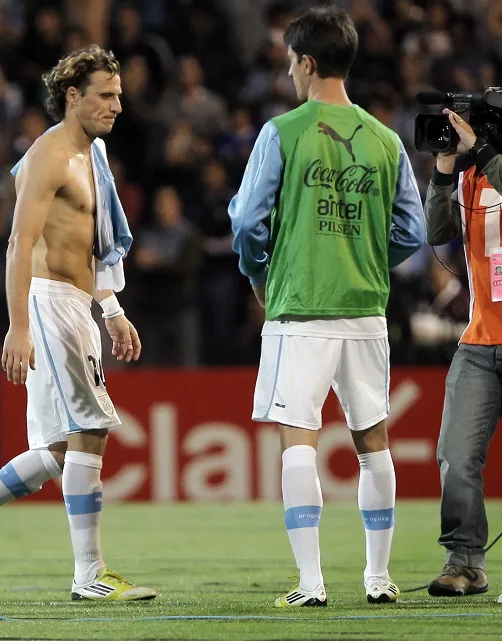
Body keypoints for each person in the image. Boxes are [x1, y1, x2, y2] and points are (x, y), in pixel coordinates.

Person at [0, 45, 156, 602]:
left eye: (119, 95)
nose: (117, 106)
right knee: (91, 429)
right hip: (50, 304)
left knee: (58, 449)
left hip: (76, 303)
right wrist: (18, 326)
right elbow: (18, 243)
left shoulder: (92, 154)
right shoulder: (49, 155)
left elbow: (94, 243)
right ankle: (89, 574)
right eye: (105, 95)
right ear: (72, 96)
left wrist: (112, 309)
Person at [230, 6, 425, 607]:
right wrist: (363, 258)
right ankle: (378, 579)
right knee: (374, 441)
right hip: (365, 309)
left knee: (299, 442)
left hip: (302, 307)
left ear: (308, 63)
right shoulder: (386, 140)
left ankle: (311, 584)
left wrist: (260, 274)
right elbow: (413, 231)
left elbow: (247, 221)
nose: (289, 72)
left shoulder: (283, 132)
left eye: (291, 62)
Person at [424, 108, 502, 601]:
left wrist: (486, 152)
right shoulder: (472, 177)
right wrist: (444, 169)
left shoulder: (491, 165)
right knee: (455, 456)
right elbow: (437, 234)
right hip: (479, 342)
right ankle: (465, 563)